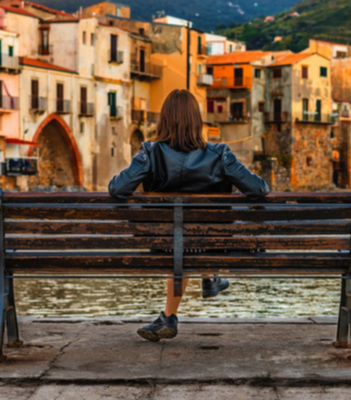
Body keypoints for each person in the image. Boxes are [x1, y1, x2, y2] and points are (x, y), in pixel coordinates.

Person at [108, 89, 269, 342]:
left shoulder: (149, 152)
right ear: (197, 120)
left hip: (162, 243)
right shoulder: (220, 154)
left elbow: (117, 189)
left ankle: (173, 312)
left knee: (180, 241)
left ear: (164, 119)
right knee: (192, 238)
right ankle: (209, 275)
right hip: (210, 241)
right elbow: (259, 189)